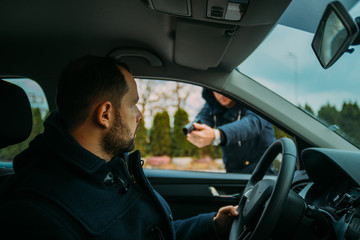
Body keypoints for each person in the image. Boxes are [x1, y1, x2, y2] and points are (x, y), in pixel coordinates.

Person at [0, 56, 238, 239]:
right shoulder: (37, 217)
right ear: (105, 114)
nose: (140, 115)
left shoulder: (109, 170)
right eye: (133, 105)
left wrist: (213, 225)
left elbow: (148, 233)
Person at [187, 89, 276, 173]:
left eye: (223, 90)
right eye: (216, 91)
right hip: (234, 172)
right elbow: (202, 119)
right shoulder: (212, 104)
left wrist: (217, 135)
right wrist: (196, 129)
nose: (221, 95)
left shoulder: (253, 100)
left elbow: (252, 123)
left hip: (264, 171)